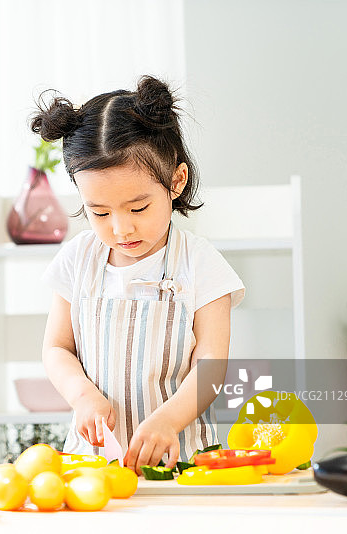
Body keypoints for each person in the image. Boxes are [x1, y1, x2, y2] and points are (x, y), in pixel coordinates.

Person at [32, 75, 245, 474]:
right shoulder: (78, 258)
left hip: (181, 461)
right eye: (99, 212)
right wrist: (82, 396)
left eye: (138, 208)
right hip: (92, 466)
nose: (120, 228)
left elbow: (212, 366)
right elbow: (57, 348)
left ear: (176, 181)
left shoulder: (200, 263)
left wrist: (168, 420)